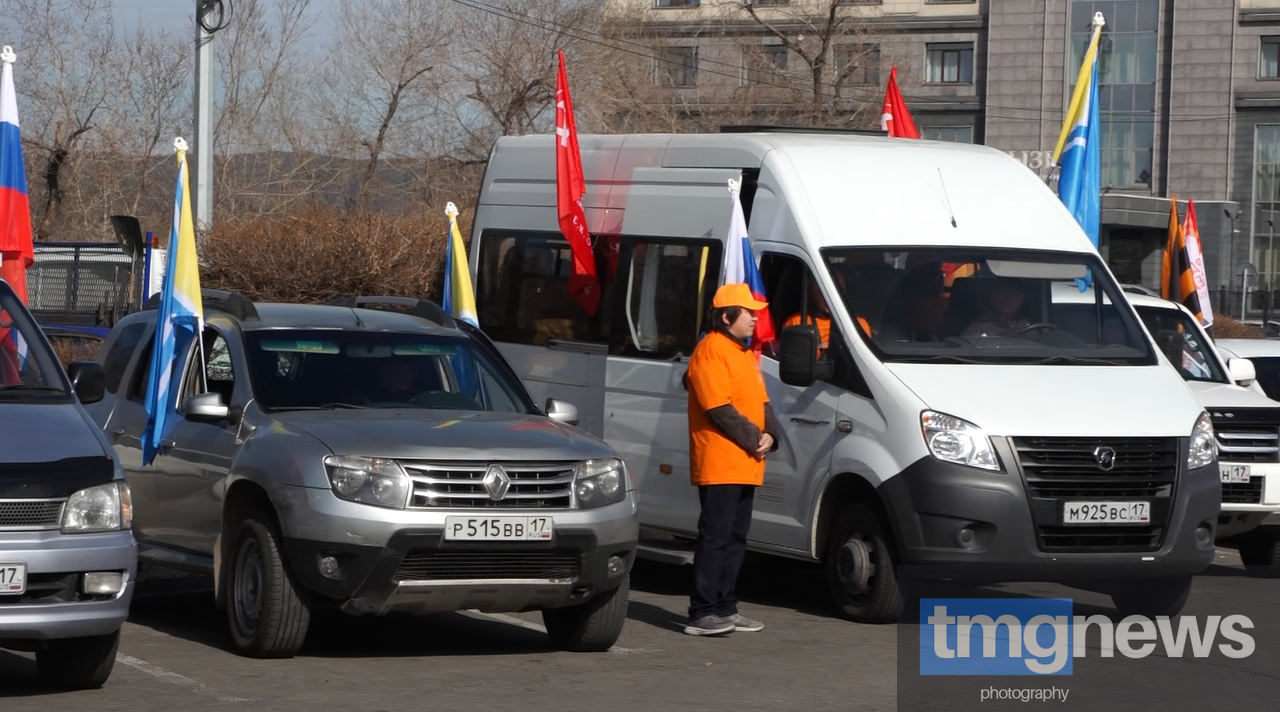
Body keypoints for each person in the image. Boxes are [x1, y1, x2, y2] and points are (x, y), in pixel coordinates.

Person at [683, 283, 780, 637]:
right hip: (720, 462)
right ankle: (702, 611)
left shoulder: (743, 353)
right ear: (727, 317)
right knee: (716, 537)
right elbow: (718, 408)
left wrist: (772, 435)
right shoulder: (711, 349)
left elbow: (763, 403)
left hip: (745, 463)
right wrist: (756, 438)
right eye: (748, 313)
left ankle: (725, 607)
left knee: (735, 538)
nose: (755, 319)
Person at [962, 280, 1032, 338]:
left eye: (1013, 295)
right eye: (1001, 294)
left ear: (1022, 299)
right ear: (992, 297)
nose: (1006, 299)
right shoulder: (979, 327)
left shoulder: (1031, 327)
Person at [783, 280, 833, 354]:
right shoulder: (797, 322)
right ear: (814, 291)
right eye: (828, 293)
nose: (832, 298)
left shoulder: (850, 324)